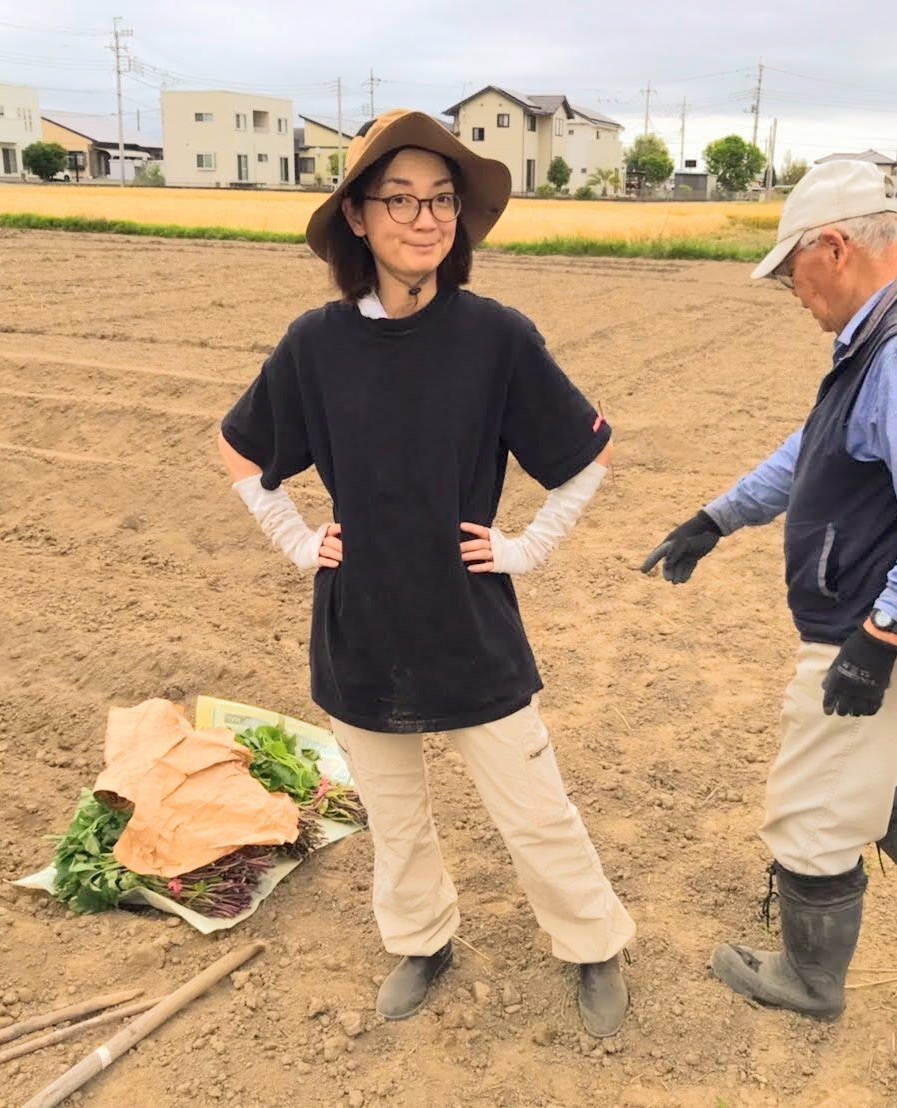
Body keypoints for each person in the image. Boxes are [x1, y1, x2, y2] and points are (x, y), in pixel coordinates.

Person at [216, 110, 634, 1037]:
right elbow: (241, 451)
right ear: (357, 219)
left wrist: (522, 548)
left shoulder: (495, 336)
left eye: (441, 200)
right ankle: (421, 940)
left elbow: (586, 458)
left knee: (535, 808)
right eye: (399, 199)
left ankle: (593, 943)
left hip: (468, 625)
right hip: (359, 627)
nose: (424, 217)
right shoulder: (316, 345)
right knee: (395, 819)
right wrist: (296, 542)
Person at [642, 160, 897, 1020]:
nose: (790, 287)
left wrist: (879, 639)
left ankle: (810, 980)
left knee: (811, 811)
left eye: (792, 268)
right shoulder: (885, 338)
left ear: (834, 246)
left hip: (888, 621)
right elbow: (815, 449)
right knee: (860, 774)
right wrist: (717, 518)